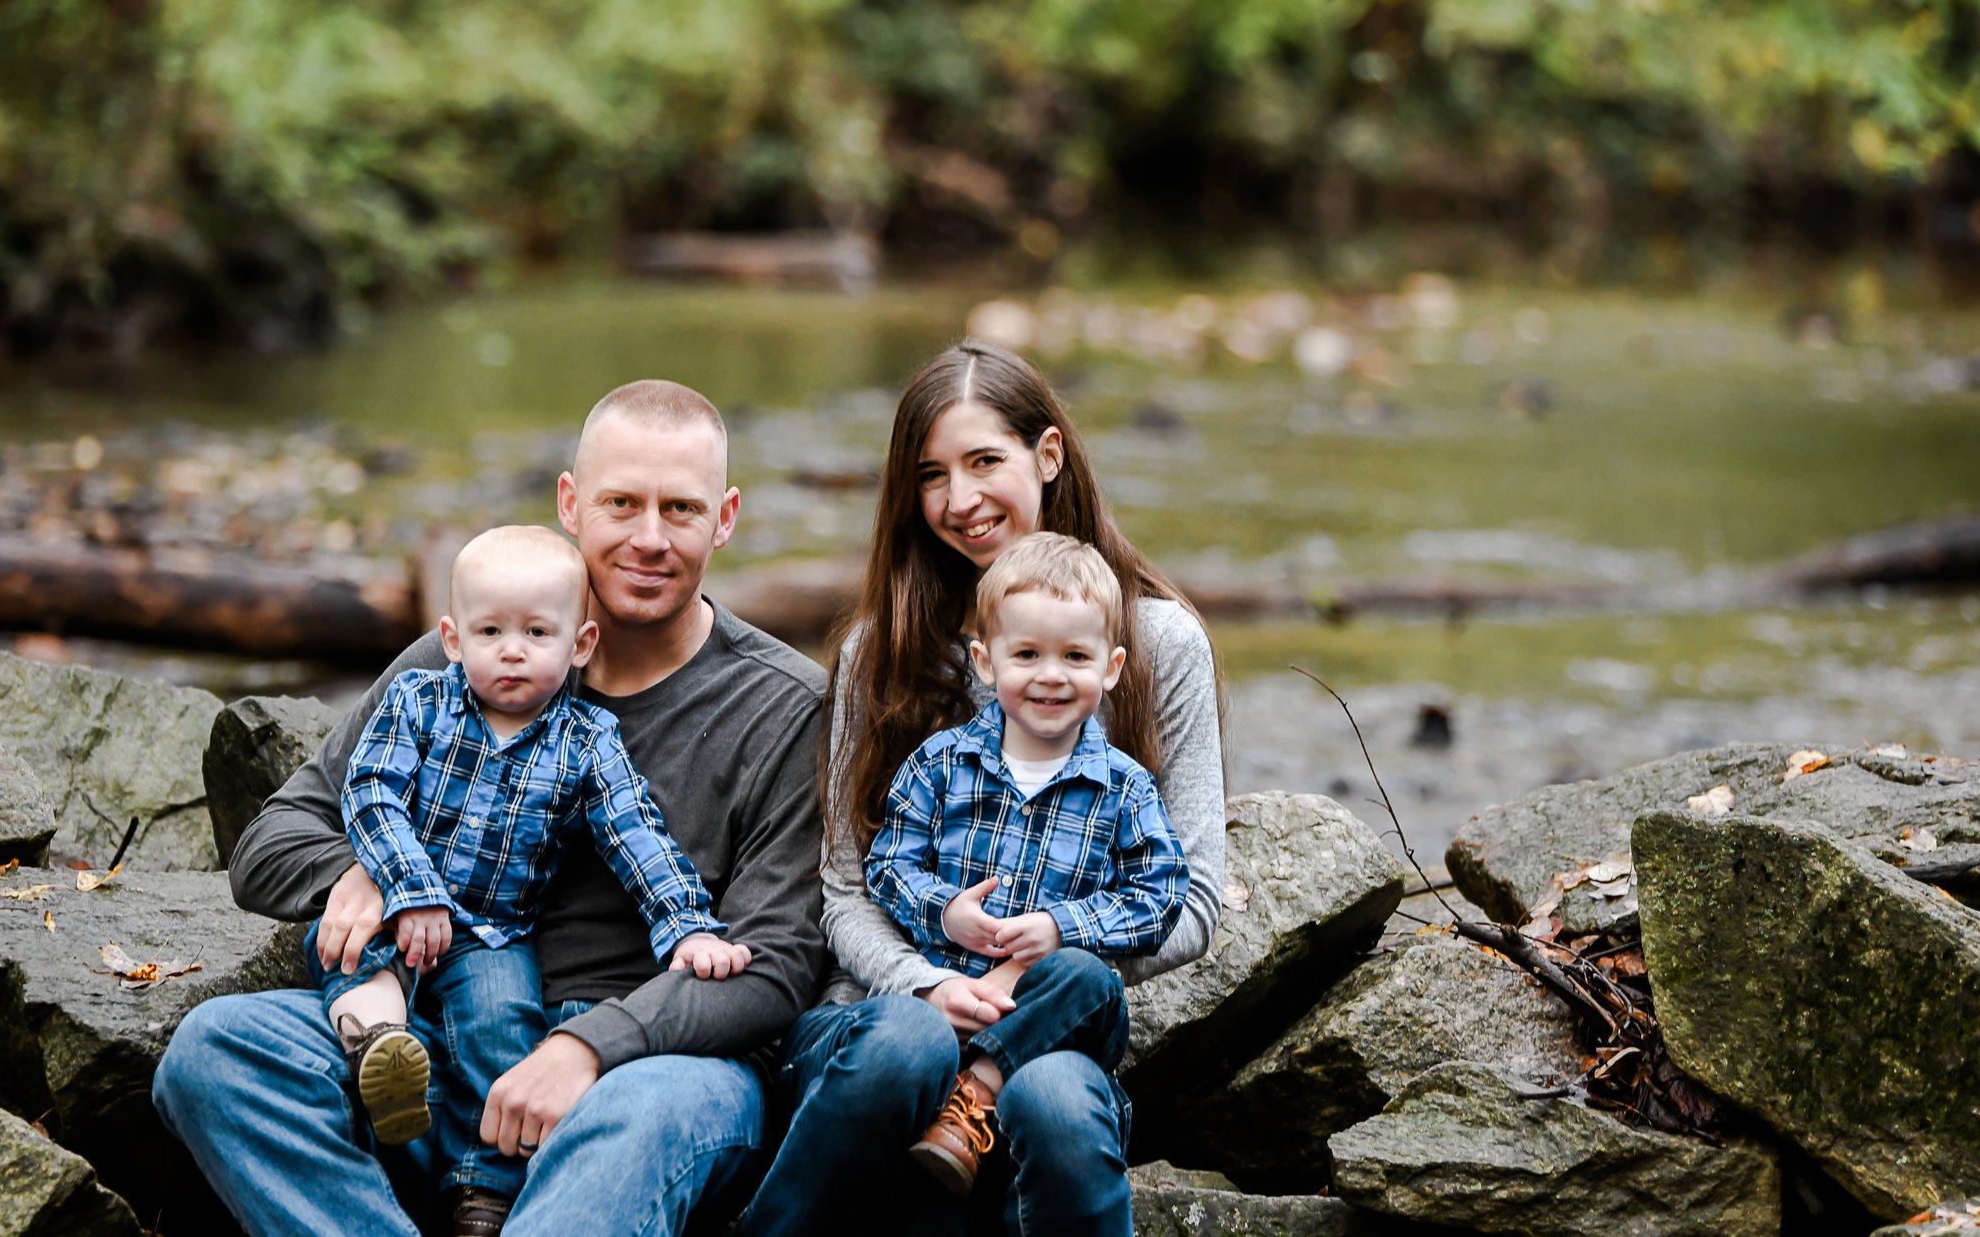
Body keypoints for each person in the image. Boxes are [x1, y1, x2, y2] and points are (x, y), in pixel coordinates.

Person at [154, 381, 829, 1237]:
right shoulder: (466, 660)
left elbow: (774, 965)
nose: (648, 537)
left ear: (725, 516)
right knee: (218, 1052)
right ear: (570, 502)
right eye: (621, 502)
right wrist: (368, 872)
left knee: (635, 1122)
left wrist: (590, 1047)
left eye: (681, 508)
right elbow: (271, 843)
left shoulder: (785, 706)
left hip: (655, 1068)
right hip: (437, 1036)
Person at [733, 339, 1228, 1237]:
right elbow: (846, 886)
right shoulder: (880, 652)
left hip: (1057, 1027)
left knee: (1059, 1106)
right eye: (932, 474)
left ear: (1047, 456)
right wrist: (927, 985)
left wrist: (1025, 980)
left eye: (984, 461)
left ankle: (983, 1101)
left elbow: (1189, 902)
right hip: (881, 1014)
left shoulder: (1161, 646)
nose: (959, 500)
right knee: (908, 1045)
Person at [317, 526, 755, 1233]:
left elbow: (636, 836)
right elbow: (369, 792)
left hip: (493, 931)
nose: (512, 648)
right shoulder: (417, 702)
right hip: (397, 909)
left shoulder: (587, 740)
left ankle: (481, 1193)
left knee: (504, 1023)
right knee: (355, 961)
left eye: (536, 632)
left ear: (579, 645)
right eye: (490, 630)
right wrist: (407, 885)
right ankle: (379, 1042)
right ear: (453, 639)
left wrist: (688, 927)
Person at [865, 533, 1188, 1197]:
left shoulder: (1124, 786)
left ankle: (974, 1095)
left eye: (1075, 655)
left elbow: (1162, 894)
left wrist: (1062, 925)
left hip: (1058, 1023)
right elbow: (889, 864)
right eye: (1027, 654)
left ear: (1112, 666)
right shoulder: (941, 764)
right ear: (986, 660)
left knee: (1089, 978)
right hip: (952, 998)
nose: (1050, 674)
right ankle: (956, 1094)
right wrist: (947, 912)